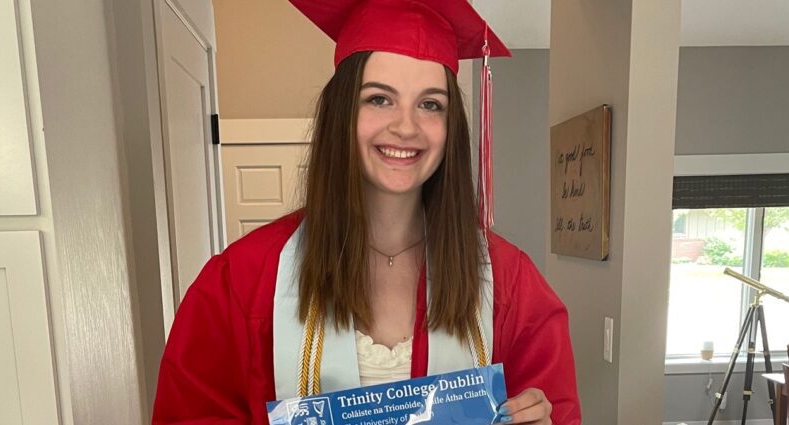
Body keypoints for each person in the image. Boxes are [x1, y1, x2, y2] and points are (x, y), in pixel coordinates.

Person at [152, 1, 581, 424]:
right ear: (341, 112)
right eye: (379, 99)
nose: (406, 126)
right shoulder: (242, 280)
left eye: (431, 104)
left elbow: (558, 409)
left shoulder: (510, 283)